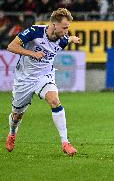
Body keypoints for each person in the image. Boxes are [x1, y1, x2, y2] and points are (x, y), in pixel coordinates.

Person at [5, 8, 80, 156]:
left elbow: (68, 39)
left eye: (68, 28)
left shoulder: (63, 39)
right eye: (65, 28)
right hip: (24, 78)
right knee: (17, 115)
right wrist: (33, 53)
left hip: (44, 76)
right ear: (54, 25)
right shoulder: (35, 31)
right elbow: (11, 46)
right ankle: (12, 133)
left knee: (54, 101)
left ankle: (65, 142)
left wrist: (73, 39)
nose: (66, 31)